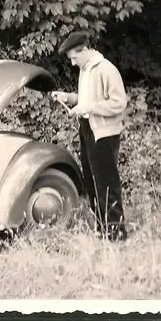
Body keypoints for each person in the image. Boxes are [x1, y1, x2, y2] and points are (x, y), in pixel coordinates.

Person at [51, 31, 128, 242]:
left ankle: (116, 235)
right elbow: (84, 99)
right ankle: (102, 229)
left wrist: (90, 107)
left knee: (107, 183)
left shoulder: (106, 69)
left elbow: (119, 103)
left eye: (74, 58)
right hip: (87, 129)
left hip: (104, 133)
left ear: (84, 50)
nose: (73, 63)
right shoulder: (85, 70)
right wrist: (68, 97)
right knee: (92, 182)